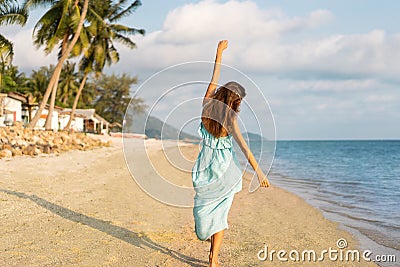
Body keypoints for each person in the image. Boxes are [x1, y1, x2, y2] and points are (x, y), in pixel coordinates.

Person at [192, 40, 271, 267]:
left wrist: (218, 53)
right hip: (225, 171)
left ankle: (213, 255)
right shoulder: (231, 120)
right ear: (234, 101)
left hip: (205, 168)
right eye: (239, 101)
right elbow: (245, 149)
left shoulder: (207, 104)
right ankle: (213, 258)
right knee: (220, 214)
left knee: (206, 209)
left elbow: (214, 78)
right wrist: (259, 173)